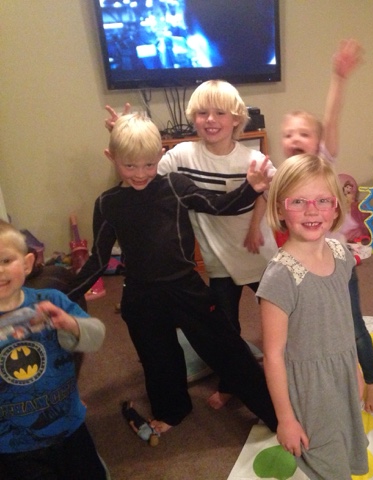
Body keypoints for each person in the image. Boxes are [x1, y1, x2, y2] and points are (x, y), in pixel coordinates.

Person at [66, 113, 277, 434]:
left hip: (186, 289)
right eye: (130, 166)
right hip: (141, 294)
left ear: (161, 156)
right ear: (111, 157)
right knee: (158, 359)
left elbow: (218, 205)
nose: (140, 174)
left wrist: (250, 189)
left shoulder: (176, 186)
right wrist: (61, 294)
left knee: (228, 349)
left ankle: (275, 414)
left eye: (149, 165)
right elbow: (98, 259)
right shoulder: (108, 203)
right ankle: (173, 410)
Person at [105, 80, 276, 410]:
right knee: (226, 329)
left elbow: (269, 192)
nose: (210, 119)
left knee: (277, 318)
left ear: (236, 118)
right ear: (192, 117)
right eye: (202, 113)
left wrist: (256, 225)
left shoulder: (252, 157)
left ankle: (282, 370)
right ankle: (230, 384)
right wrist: (123, 138)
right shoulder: (181, 155)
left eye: (219, 113)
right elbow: (142, 176)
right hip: (218, 260)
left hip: (258, 255)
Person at [279, 39, 373, 413]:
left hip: (337, 262)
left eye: (304, 134)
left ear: (318, 142)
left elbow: (332, 117)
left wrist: (339, 78)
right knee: (310, 329)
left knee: (351, 324)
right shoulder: (282, 174)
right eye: (289, 134)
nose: (295, 139)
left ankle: (371, 380)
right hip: (301, 266)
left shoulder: (323, 163)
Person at [257, 154, 369, 479]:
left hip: (342, 373)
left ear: (335, 207)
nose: (312, 210)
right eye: (298, 201)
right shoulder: (280, 276)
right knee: (325, 460)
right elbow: (273, 355)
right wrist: (285, 419)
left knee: (345, 443)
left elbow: (343, 321)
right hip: (311, 389)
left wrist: (356, 368)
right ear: (280, 209)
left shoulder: (341, 254)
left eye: (322, 200)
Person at [0, 221, 108, 480]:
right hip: (13, 443)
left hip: (69, 424)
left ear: (27, 263)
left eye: (5, 260)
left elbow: (96, 338)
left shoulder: (52, 301)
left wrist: (71, 325)